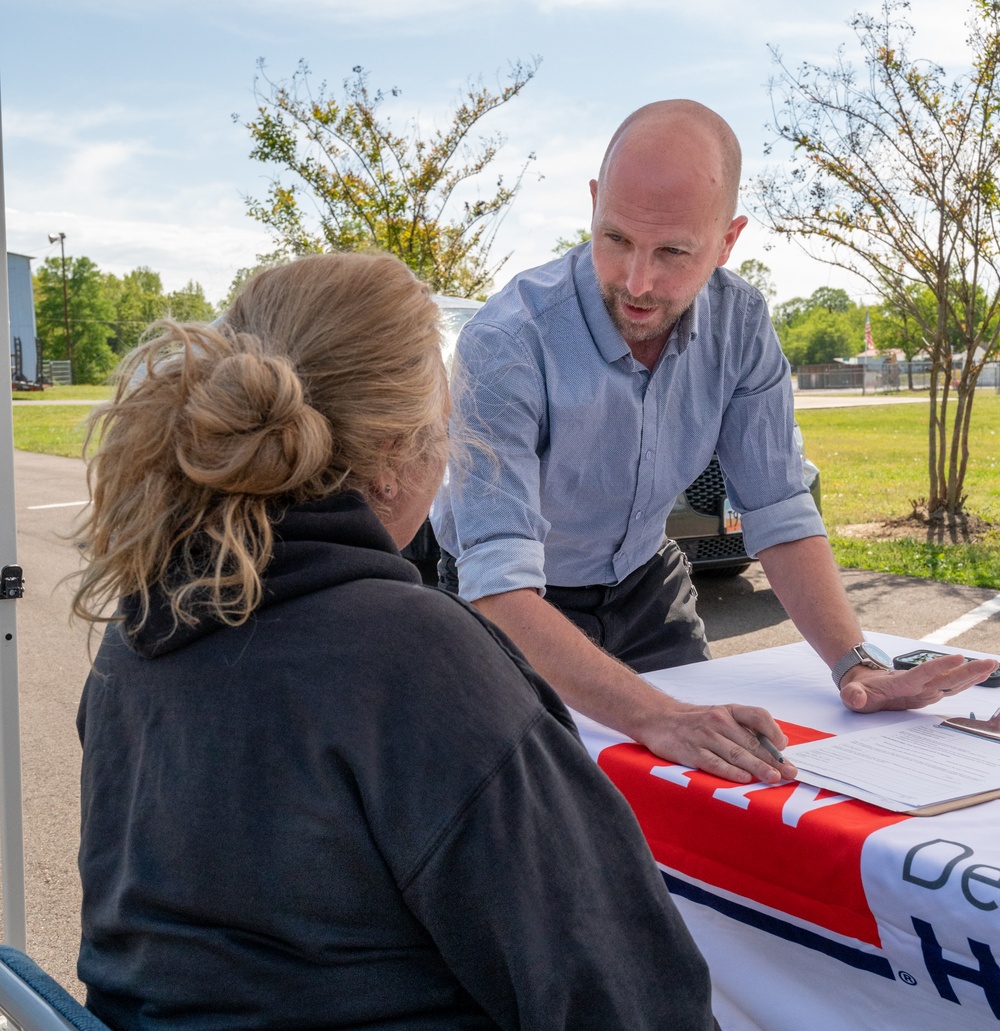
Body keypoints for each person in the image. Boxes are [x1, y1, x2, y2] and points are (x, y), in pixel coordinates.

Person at [73, 252, 720, 1030]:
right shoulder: (415, 660)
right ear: (390, 459)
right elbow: (629, 996)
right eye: (441, 431)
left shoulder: (136, 633)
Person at [432, 99, 997, 785]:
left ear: (728, 241)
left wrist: (856, 662)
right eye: (615, 239)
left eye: (673, 251)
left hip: (644, 584)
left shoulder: (743, 324)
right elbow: (498, 583)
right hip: (516, 603)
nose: (637, 283)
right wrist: (656, 716)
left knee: (715, 783)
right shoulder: (507, 339)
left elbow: (780, 509)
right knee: (540, 799)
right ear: (592, 204)